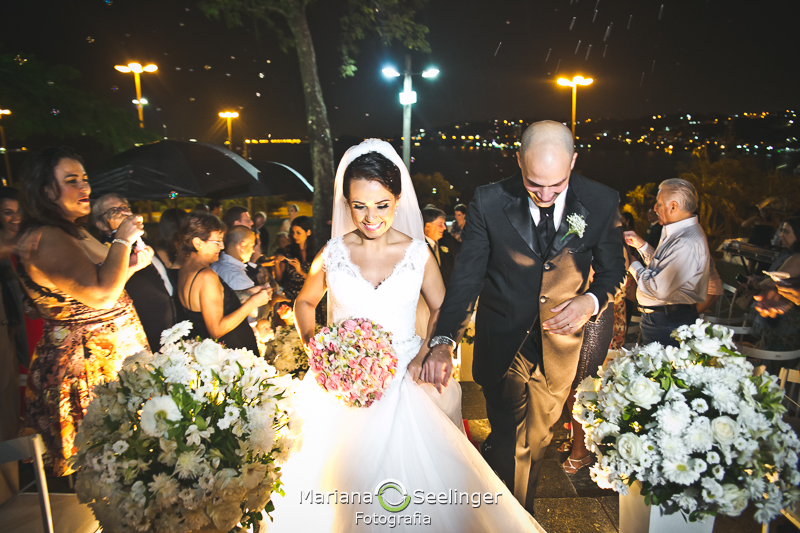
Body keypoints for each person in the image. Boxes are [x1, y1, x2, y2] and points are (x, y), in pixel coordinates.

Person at [269, 139, 544, 532]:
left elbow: (441, 309)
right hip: (343, 386)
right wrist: (319, 350)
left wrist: (427, 352)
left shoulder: (418, 253)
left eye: (381, 205)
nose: (370, 217)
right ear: (346, 203)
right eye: (359, 205)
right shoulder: (332, 253)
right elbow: (305, 304)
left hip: (407, 376)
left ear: (397, 200)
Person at [429, 121, 626, 514]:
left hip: (560, 345)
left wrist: (590, 301)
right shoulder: (488, 201)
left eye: (556, 185)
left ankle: (499, 485)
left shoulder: (601, 201)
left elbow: (613, 272)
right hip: (503, 338)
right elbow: (466, 278)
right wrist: (442, 339)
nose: (546, 195)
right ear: (518, 160)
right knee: (513, 439)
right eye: (535, 184)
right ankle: (518, 519)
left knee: (536, 443)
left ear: (572, 161)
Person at [16, 147, 150, 475]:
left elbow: (101, 281)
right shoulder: (46, 237)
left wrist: (129, 266)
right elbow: (101, 295)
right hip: (86, 370)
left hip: (109, 361)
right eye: (71, 180)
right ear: (46, 190)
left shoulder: (74, 229)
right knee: (107, 473)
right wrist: (121, 239)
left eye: (86, 179)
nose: (85, 188)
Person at [624, 179, 711, 347]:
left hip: (669, 322)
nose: (655, 208)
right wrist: (642, 246)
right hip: (663, 318)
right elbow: (662, 268)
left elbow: (658, 288)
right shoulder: (678, 231)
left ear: (673, 206)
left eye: (658, 204)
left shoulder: (686, 241)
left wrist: (631, 262)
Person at [92, 193, 178, 350]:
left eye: (124, 207)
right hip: (146, 336)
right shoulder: (105, 252)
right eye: (113, 211)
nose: (122, 213)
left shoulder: (144, 240)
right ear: (102, 225)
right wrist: (117, 233)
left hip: (173, 328)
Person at [176, 212, 268, 352]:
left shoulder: (185, 268)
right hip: (231, 351)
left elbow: (209, 304)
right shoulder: (206, 276)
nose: (222, 246)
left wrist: (247, 293)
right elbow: (216, 330)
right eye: (217, 241)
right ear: (198, 243)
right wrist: (253, 302)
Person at [422, 205, 460, 287]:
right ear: (427, 226)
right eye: (440, 224)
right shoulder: (416, 247)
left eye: (444, 223)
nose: (444, 228)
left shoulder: (447, 241)